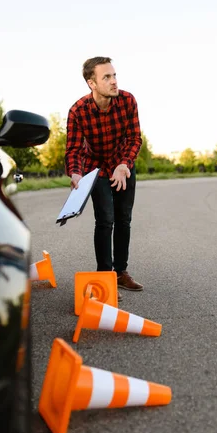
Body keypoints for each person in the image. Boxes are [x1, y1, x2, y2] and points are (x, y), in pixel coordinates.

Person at [65, 56, 143, 301]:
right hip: (95, 169)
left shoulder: (128, 101)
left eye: (114, 75)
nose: (113, 81)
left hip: (122, 165)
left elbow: (134, 139)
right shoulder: (78, 111)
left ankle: (120, 272)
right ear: (92, 83)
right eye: (106, 77)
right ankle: (104, 277)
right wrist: (76, 173)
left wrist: (124, 164)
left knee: (123, 219)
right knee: (105, 220)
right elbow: (74, 150)